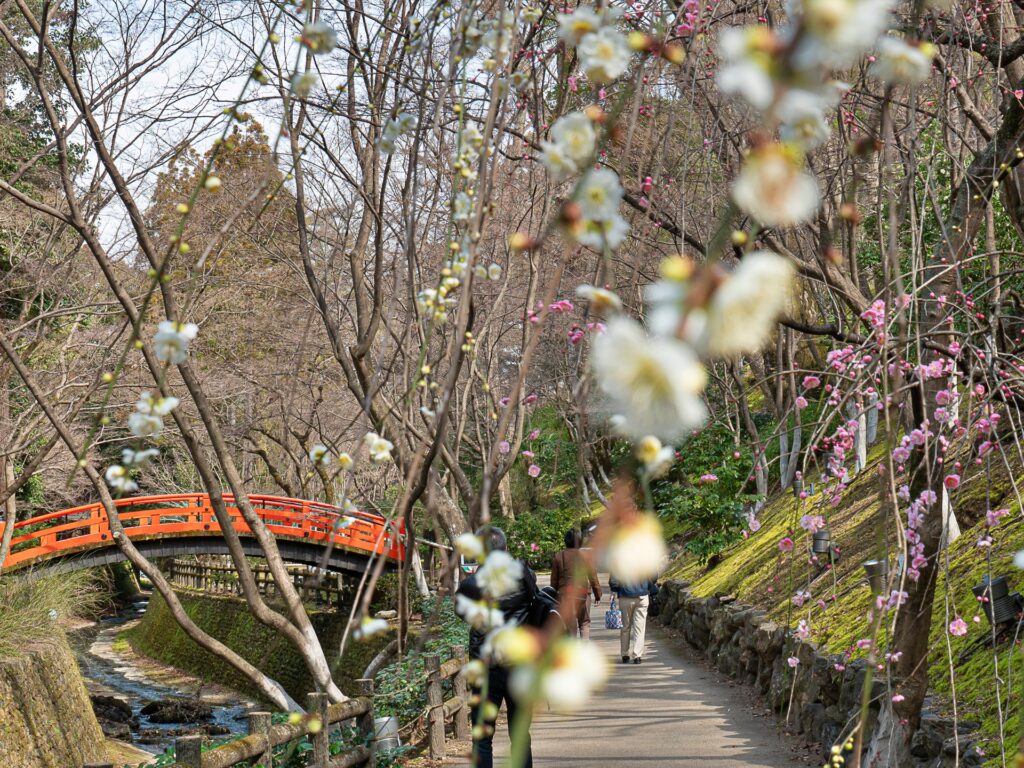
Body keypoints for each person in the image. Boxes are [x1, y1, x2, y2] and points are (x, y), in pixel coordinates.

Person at [455, 526, 536, 768]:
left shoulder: (472, 584)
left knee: (482, 737)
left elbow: (461, 612)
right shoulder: (523, 573)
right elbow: (535, 598)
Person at [550, 528, 602, 638]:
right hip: (583, 593)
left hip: (565, 595)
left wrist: (553, 597)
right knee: (584, 623)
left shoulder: (559, 556)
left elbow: (554, 581)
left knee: (570, 624)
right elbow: (593, 577)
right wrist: (598, 594)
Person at [609, 575, 659, 664]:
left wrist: (615, 590)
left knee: (625, 627)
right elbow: (654, 575)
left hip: (625, 596)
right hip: (642, 596)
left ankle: (624, 654)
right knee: (639, 628)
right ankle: (637, 655)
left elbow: (614, 579)